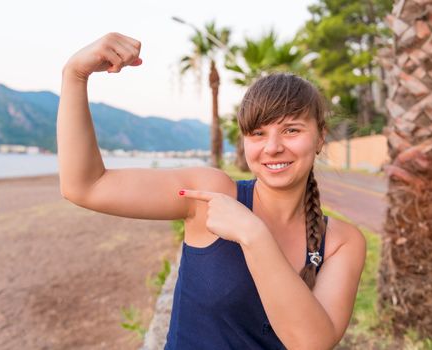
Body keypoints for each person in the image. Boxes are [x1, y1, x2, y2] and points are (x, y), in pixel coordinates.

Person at [57, 32, 366, 350]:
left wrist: (253, 234)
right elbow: (86, 186)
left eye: (291, 130)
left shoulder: (340, 243)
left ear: (320, 138)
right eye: (258, 133)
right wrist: (75, 75)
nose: (272, 148)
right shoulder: (208, 195)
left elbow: (310, 343)